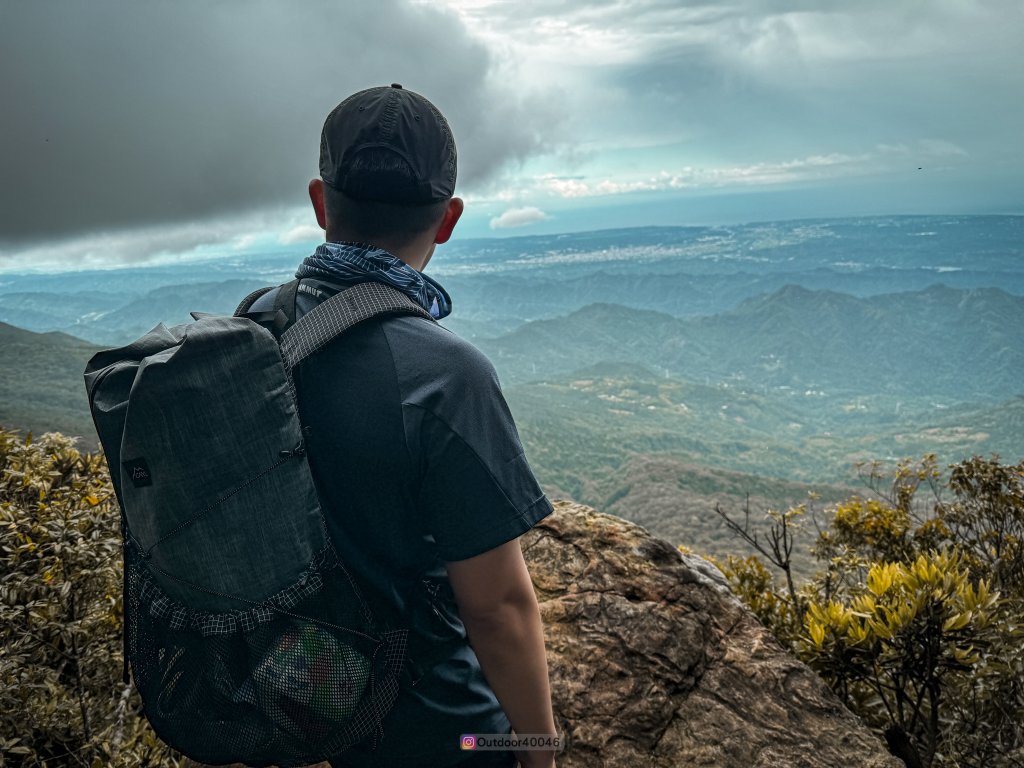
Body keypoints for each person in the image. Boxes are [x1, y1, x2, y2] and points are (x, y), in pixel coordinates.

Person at [248, 84, 557, 768]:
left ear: (320, 202)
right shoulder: (446, 374)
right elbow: (497, 607)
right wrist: (539, 747)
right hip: (429, 728)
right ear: (447, 220)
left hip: (295, 683)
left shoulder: (255, 326)